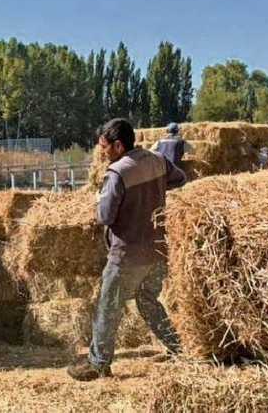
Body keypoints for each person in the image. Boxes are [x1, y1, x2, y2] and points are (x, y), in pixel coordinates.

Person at [68, 118, 186, 381]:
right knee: (148, 300)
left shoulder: (117, 172)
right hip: (157, 249)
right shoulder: (156, 159)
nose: (102, 152)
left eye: (104, 147)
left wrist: (98, 202)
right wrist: (151, 194)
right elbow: (180, 178)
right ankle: (179, 348)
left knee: (108, 304)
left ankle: (97, 363)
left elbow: (106, 216)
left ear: (118, 145)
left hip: (127, 253)